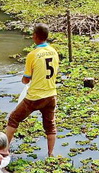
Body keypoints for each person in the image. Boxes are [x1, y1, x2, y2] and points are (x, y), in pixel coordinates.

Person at [6, 24, 59, 157]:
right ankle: (50, 154)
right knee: (50, 126)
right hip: (51, 95)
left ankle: (4, 149)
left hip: (35, 97)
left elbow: (26, 79)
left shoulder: (33, 55)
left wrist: (23, 80)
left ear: (35, 36)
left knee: (13, 119)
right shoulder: (54, 52)